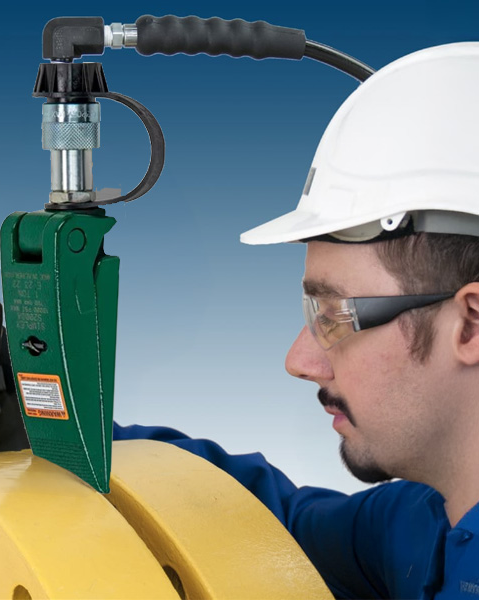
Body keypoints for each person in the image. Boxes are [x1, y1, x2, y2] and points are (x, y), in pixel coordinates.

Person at [115, 42, 479, 599]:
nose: (299, 361)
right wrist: (59, 422)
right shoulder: (426, 521)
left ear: (471, 325)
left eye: (334, 314)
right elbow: (276, 523)